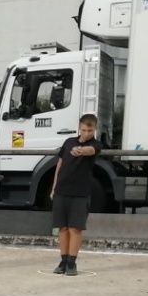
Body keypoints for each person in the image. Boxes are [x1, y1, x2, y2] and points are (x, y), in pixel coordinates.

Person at [50, 114, 103, 276]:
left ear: (95, 129)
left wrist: (80, 150)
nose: (86, 133)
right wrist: (54, 187)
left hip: (80, 192)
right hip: (62, 190)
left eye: (90, 130)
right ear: (79, 128)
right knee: (63, 228)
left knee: (75, 228)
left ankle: (72, 263)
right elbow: (60, 164)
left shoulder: (96, 144)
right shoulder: (68, 142)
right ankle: (63, 260)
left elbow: (90, 150)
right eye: (84, 130)